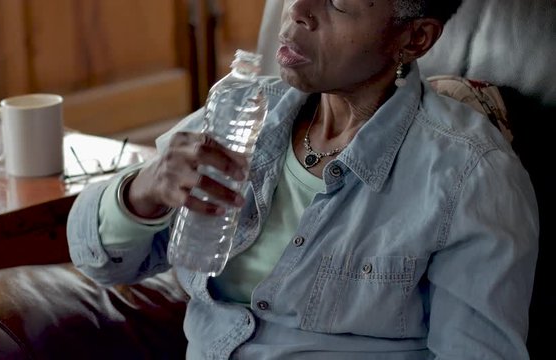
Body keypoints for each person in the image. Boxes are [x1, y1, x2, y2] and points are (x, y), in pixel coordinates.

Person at [67, 0, 539, 358]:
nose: (299, 11)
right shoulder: (242, 109)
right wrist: (143, 190)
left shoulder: (470, 175)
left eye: (337, 2)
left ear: (414, 39)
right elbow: (101, 262)